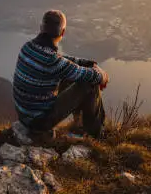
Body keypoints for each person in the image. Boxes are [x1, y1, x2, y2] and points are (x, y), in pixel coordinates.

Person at [13, 10, 110, 138]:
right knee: (88, 84)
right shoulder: (52, 61)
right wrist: (103, 76)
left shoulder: (27, 47)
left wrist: (88, 63)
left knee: (72, 76)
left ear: (41, 28)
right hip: (39, 122)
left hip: (24, 115)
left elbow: (62, 61)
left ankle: (79, 123)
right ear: (62, 32)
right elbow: (92, 76)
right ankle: (96, 134)